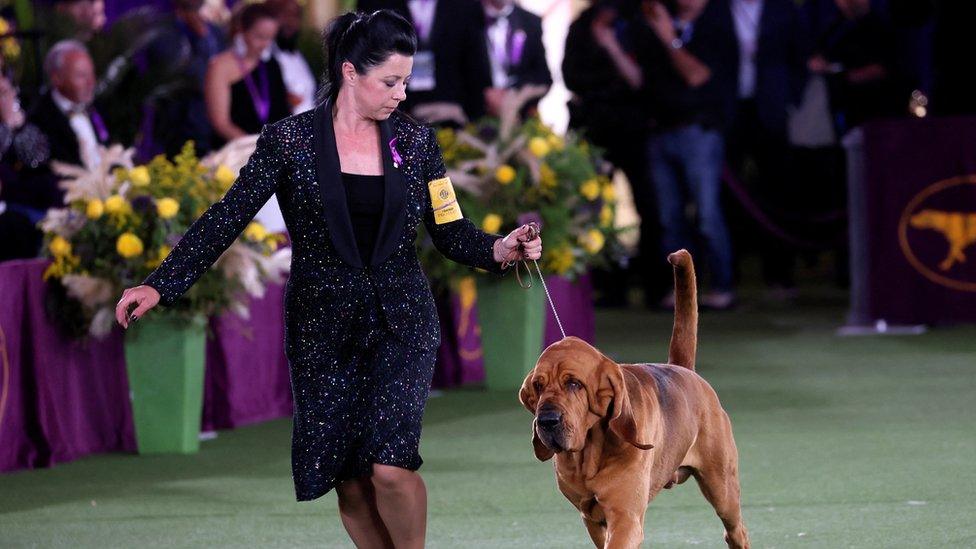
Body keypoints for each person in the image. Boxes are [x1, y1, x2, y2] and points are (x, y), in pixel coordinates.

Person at [114, 10, 542, 548]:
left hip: (401, 322)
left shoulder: (417, 144)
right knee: (350, 483)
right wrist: (161, 283)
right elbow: (227, 217)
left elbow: (452, 232)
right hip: (322, 330)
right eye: (390, 81)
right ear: (349, 72)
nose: (401, 94)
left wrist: (502, 248)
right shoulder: (288, 141)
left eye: (406, 81)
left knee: (389, 466)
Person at [563, 0, 670, 308]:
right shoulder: (582, 25)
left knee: (650, 207)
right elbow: (571, 77)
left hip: (635, 129)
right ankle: (607, 287)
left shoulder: (638, 22)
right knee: (594, 211)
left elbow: (641, 80)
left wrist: (610, 45)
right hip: (594, 129)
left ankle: (656, 285)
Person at [636, 0, 738, 309]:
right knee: (669, 219)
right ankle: (682, 294)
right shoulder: (653, 27)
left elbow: (697, 76)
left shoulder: (716, 27)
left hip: (699, 132)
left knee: (707, 214)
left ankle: (722, 286)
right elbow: (642, 81)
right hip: (659, 131)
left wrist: (670, 39)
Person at [356, 0, 493, 126]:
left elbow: (478, 73)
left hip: (453, 121)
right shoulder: (373, 3)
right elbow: (366, 68)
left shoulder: (466, 5)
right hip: (391, 122)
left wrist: (462, 112)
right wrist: (400, 114)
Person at [144, 0, 227, 157]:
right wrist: (201, 39)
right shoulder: (160, 31)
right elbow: (187, 76)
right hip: (177, 129)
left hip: (213, 130)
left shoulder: (215, 33)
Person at [204, 2, 292, 149]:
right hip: (234, 152)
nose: (265, 44)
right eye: (259, 36)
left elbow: (282, 111)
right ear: (242, 30)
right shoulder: (220, 66)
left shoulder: (272, 65)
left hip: (271, 151)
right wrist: (254, 147)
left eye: (270, 38)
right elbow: (220, 122)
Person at [480, 0, 552, 116]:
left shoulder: (530, 22)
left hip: (519, 115)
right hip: (474, 114)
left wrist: (515, 94)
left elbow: (543, 77)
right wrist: (484, 95)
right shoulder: (464, 18)